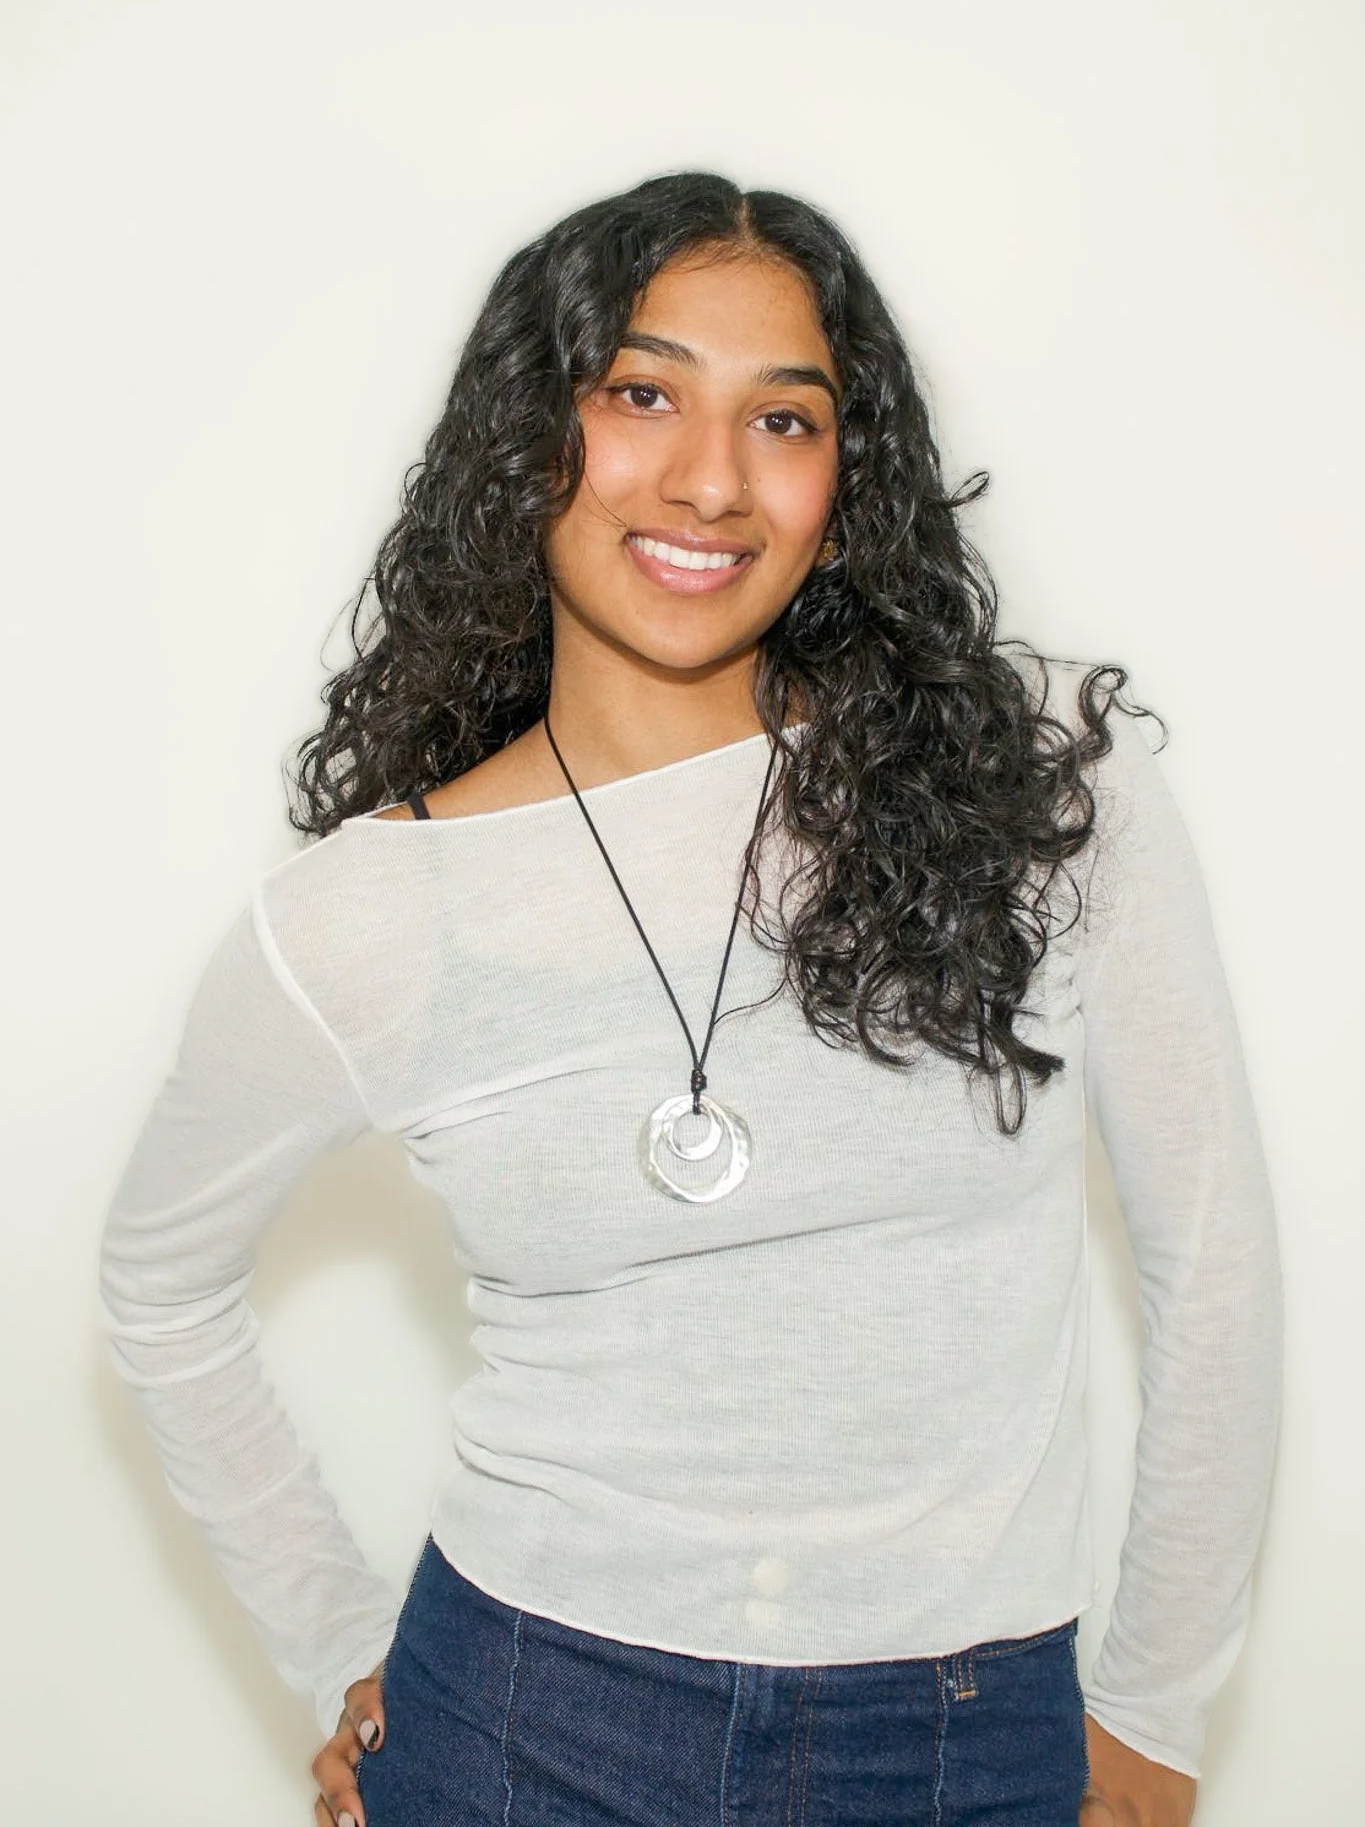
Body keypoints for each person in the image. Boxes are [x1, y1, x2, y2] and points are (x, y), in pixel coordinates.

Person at [98, 171, 1283, 1827]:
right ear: (526, 438)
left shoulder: (1040, 789)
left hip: (969, 1738)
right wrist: (336, 1645)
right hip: (523, 1724)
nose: (712, 480)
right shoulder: (372, 914)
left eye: (784, 420)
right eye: (641, 395)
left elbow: (1211, 1263)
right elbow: (158, 1288)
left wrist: (1154, 1710)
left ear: (846, 484)